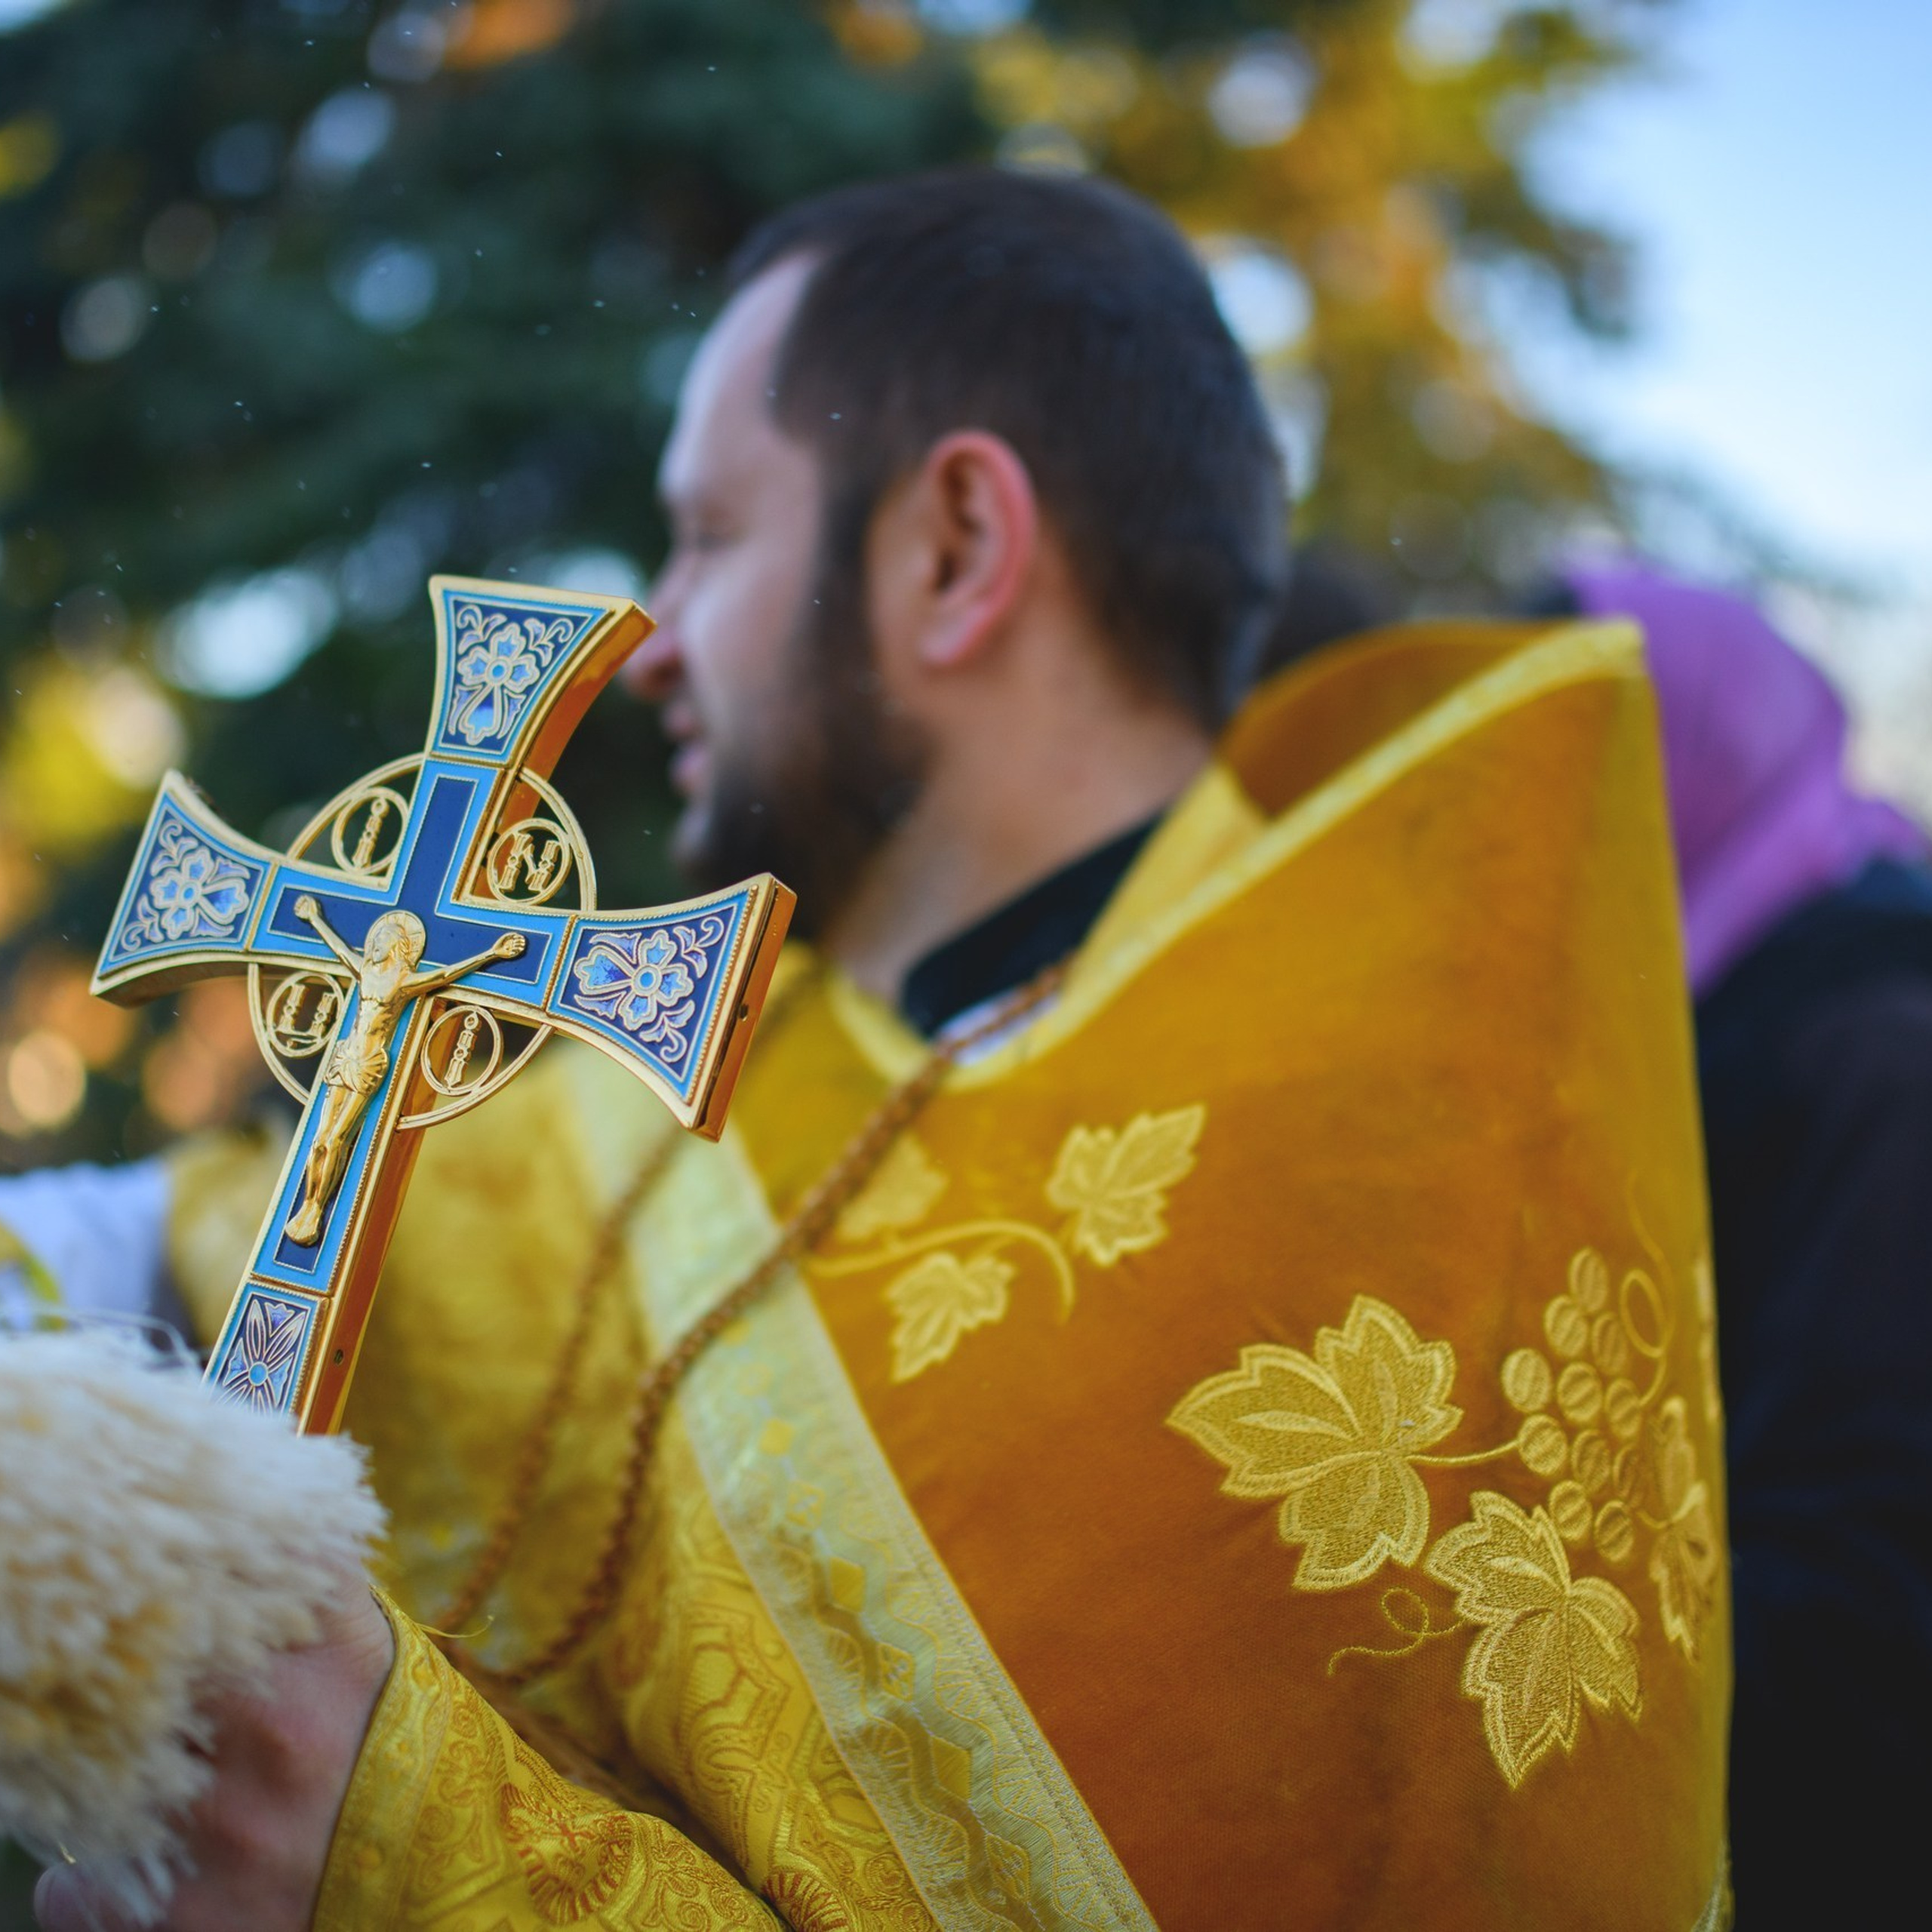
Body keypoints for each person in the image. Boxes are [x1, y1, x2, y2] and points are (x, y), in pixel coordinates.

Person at [15, 170, 1728, 1930]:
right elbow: (131, 1257)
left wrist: (395, 1841)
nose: (651, 638)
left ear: (953, 550)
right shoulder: (722, 1073)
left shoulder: (1378, 1211)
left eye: (711, 535)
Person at [1537, 565, 1932, 1927]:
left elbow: (1863, 1614)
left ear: (1689, 767)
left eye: (1577, 763)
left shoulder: (1880, 1058)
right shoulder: (1694, 1028)